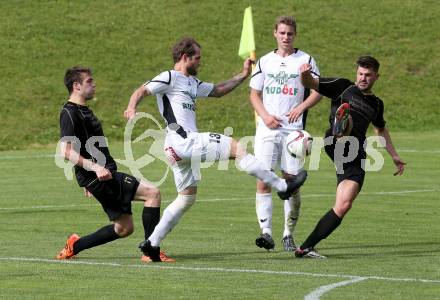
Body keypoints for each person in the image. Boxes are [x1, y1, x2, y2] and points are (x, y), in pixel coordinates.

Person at [124, 37, 307, 262]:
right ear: (184, 57)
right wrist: (132, 107)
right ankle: (282, 186)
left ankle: (152, 243)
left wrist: (243, 74)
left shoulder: (191, 82)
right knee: (236, 147)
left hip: (175, 148)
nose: (200, 62)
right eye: (197, 58)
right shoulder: (169, 77)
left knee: (186, 197)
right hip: (184, 142)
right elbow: (141, 91)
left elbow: (219, 90)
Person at [56, 66, 175, 263]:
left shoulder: (84, 110)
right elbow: (66, 151)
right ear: (76, 86)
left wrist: (88, 178)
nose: (94, 85)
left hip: (100, 177)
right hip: (99, 176)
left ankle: (74, 245)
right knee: (152, 193)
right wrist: (93, 169)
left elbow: (87, 146)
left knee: (124, 228)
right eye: (89, 81)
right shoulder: (69, 112)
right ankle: (150, 251)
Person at [295, 56, 406, 258]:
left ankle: (306, 247)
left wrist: (394, 155)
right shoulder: (343, 87)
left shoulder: (376, 104)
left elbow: (381, 130)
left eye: (368, 75)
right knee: (342, 134)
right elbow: (312, 83)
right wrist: (304, 75)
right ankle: (342, 127)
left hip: (354, 155)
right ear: (357, 73)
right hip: (336, 142)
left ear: (376, 77)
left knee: (343, 204)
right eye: (360, 73)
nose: (363, 78)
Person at [249, 16, 322, 252]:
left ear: (295, 35)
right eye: (282, 33)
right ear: (275, 34)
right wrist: (264, 116)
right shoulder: (265, 61)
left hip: (294, 132)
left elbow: (318, 91)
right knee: (264, 180)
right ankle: (266, 233)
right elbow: (254, 95)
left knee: (292, 184)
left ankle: (288, 233)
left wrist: (300, 108)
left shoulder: (305, 60)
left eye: (290, 33)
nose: (286, 37)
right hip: (267, 129)